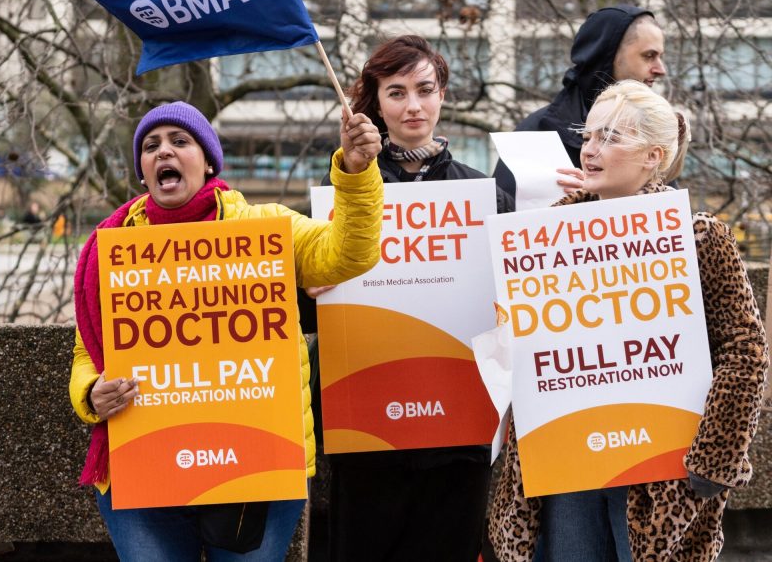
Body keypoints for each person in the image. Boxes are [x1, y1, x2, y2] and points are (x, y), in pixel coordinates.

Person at [68, 101, 384, 560]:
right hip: (143, 466)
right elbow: (85, 354)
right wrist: (92, 393)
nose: (164, 153)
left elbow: (348, 254)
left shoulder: (265, 228)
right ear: (142, 170)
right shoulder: (110, 248)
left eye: (180, 142)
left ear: (209, 161)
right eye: (151, 146)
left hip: (256, 471)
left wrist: (355, 173)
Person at [489, 80, 769, 562]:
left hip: (659, 468)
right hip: (567, 456)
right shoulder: (548, 234)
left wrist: (714, 457)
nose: (590, 150)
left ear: (654, 156)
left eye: (611, 138)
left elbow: (745, 351)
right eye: (589, 135)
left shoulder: (697, 236)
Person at [303, 35, 512, 561]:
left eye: (425, 89)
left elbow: (523, 293)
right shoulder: (345, 195)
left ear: (443, 95)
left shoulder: (484, 195)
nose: (413, 105)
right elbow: (305, 304)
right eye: (396, 92)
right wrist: (309, 287)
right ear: (375, 104)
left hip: (460, 426)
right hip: (367, 426)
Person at [494, 5, 666, 199]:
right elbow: (503, 223)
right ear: (607, 55)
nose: (661, 69)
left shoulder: (656, 131)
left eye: (610, 138)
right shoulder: (534, 135)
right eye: (649, 56)